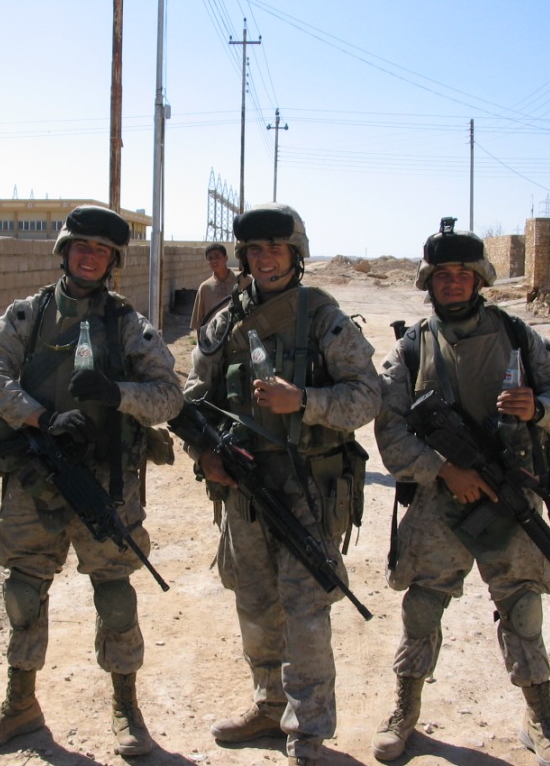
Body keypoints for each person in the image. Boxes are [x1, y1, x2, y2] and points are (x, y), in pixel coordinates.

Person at [0, 204, 181, 756]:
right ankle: (20, 706)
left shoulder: (127, 324)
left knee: (114, 596)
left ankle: (125, 708)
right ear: (64, 252)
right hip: (37, 477)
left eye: (101, 251)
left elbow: (170, 396)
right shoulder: (27, 316)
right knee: (23, 592)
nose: (89, 258)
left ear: (112, 262)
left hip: (107, 482)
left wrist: (119, 395)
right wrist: (39, 416)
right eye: (81, 248)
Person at [371, 217, 550, 766]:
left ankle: (542, 722)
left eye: (463, 273)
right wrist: (444, 469)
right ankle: (404, 710)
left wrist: (537, 409)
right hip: (438, 502)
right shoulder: (413, 348)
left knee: (522, 608)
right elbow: (389, 429)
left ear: (480, 279)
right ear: (429, 281)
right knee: (421, 606)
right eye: (442, 274)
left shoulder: (518, 337)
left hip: (508, 497)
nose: (453, 282)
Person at [182, 202, 381, 766]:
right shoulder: (224, 322)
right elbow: (195, 398)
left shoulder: (323, 317)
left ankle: (309, 730)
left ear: (296, 254)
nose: (264, 259)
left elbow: (367, 397)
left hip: (307, 488)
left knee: (305, 608)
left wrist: (306, 402)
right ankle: (268, 705)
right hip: (245, 488)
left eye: (275, 248)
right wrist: (205, 454)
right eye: (254, 250)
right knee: (255, 601)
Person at [189, 242, 245, 331]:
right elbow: (199, 323)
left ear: (226, 258)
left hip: (239, 336)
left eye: (217, 257)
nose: (214, 261)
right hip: (214, 338)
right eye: (210, 258)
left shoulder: (242, 281)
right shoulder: (205, 288)